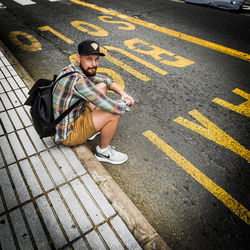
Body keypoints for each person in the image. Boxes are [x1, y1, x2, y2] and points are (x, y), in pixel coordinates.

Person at [53, 40, 134, 165]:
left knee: (101, 86)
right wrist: (126, 103)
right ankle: (103, 152)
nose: (94, 64)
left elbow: (104, 80)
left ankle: (93, 130)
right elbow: (112, 107)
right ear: (78, 58)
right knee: (113, 113)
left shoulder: (73, 68)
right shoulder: (77, 80)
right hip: (68, 133)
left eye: (96, 59)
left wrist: (123, 93)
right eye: (89, 59)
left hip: (72, 115)